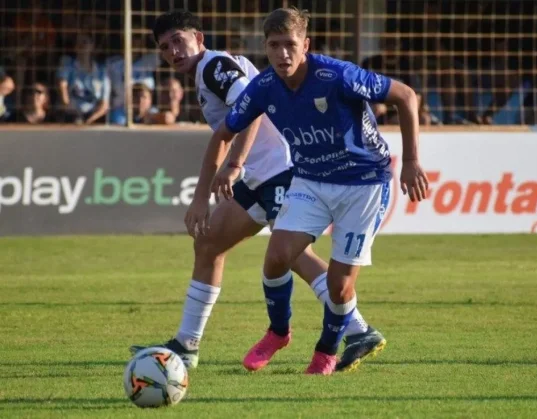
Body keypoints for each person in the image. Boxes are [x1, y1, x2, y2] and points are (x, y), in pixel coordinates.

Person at [130, 11, 385, 373]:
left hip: (278, 170)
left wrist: (233, 164)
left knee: (291, 255)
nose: (173, 50)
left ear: (198, 38)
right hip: (259, 175)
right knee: (209, 244)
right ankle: (186, 345)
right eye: (165, 46)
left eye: (178, 40)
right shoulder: (216, 68)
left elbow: (250, 109)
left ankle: (357, 328)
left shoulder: (215, 67)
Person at [186, 7, 429, 375]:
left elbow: (406, 96)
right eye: (274, 45)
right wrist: (209, 187)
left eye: (290, 45)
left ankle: (326, 352)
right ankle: (278, 332)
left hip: (363, 184)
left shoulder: (336, 75)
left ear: (306, 45)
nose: (283, 53)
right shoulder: (264, 87)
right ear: (265, 48)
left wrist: (410, 160)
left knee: (339, 286)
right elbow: (224, 132)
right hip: (310, 181)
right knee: (277, 256)